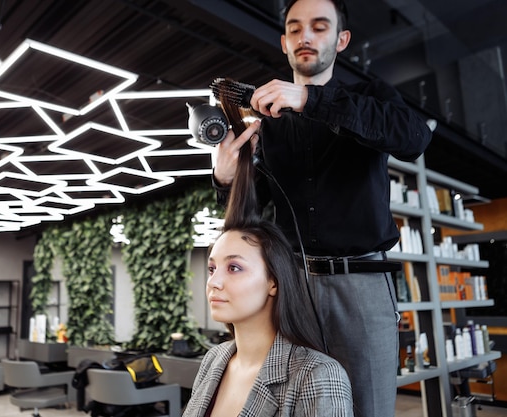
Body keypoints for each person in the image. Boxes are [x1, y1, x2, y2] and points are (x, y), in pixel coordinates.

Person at [211, 1, 433, 416]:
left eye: (318, 27)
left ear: (341, 39)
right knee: (292, 404)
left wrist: (310, 100)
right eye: (295, 29)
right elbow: (255, 215)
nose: (305, 37)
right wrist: (227, 179)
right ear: (284, 43)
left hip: (361, 286)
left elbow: (415, 137)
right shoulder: (269, 119)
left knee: (368, 407)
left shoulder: (368, 98)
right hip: (290, 286)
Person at [182, 219, 353, 417]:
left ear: (273, 281)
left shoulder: (318, 376)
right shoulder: (213, 359)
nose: (214, 282)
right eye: (212, 269)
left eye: (234, 268)